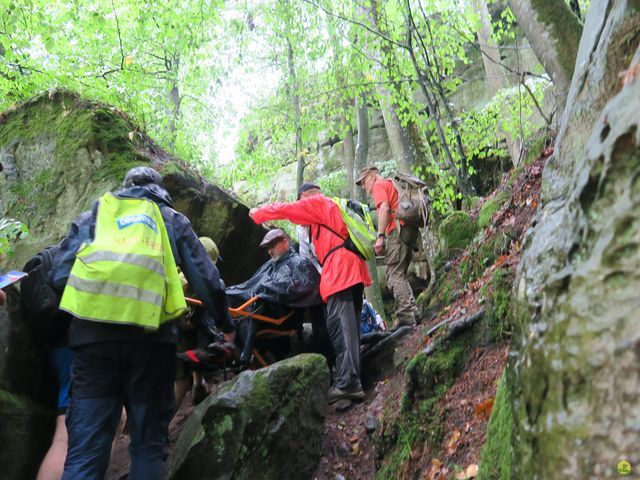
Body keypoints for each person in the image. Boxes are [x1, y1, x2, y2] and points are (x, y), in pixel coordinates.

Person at [52, 166, 234, 480]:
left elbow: (57, 274)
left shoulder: (97, 214)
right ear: (160, 190)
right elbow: (208, 281)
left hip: (93, 343)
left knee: (85, 450)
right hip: (152, 342)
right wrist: (226, 324)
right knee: (147, 446)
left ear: (125, 186)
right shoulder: (170, 218)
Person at [249, 190, 371, 404]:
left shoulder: (318, 204)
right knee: (350, 329)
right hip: (353, 268)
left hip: (340, 272)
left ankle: (348, 383)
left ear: (307, 196)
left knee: (341, 329)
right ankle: (352, 379)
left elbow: (287, 210)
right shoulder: (333, 210)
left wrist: (260, 213)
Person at [356, 166, 420, 327]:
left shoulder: (379, 185)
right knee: (400, 274)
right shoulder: (390, 183)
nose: (364, 187)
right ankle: (413, 313)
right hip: (408, 229)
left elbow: (384, 208)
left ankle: (406, 318)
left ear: (372, 175)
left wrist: (380, 237)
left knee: (394, 276)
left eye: (364, 181)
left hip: (397, 231)